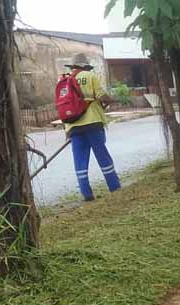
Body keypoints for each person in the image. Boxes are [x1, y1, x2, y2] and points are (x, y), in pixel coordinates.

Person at [64, 53, 121, 201]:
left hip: (73, 127)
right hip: (93, 123)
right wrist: (110, 100)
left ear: (73, 66)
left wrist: (67, 131)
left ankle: (86, 194)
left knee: (80, 162)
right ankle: (115, 188)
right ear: (85, 66)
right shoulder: (90, 76)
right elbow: (102, 96)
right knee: (103, 156)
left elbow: (64, 106)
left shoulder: (65, 81)